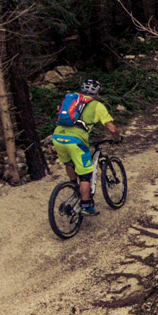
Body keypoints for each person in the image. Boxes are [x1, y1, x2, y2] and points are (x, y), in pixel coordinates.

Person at [49, 78, 120, 215]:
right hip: (76, 140)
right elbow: (111, 129)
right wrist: (117, 138)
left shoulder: (73, 102)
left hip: (58, 137)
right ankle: (86, 206)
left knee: (69, 162)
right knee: (86, 174)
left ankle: (75, 187)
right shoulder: (97, 106)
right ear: (97, 93)